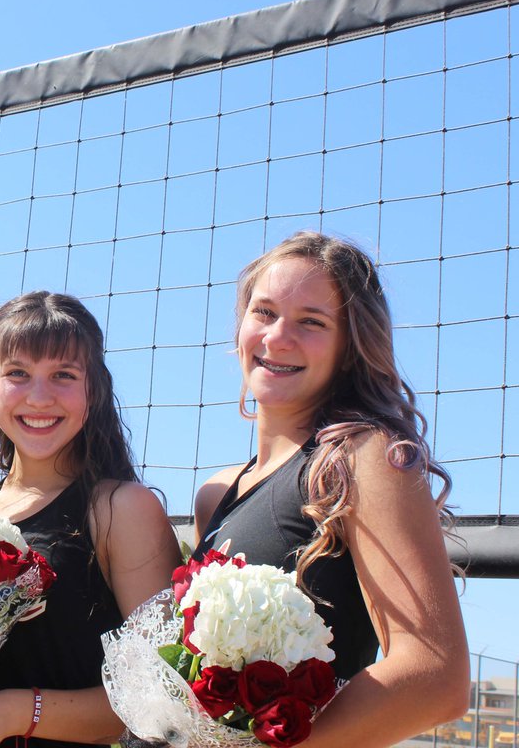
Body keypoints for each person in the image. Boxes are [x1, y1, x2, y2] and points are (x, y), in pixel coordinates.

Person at [192, 232, 469, 746]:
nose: (277, 337)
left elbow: (437, 677)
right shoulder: (215, 493)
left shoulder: (365, 458)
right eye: (265, 312)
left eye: (311, 322)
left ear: (348, 348)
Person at [0, 291, 182, 748]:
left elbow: (162, 699)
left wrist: (13, 712)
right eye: (18, 373)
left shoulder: (120, 509)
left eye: (63, 375)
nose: (39, 396)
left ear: (93, 391)